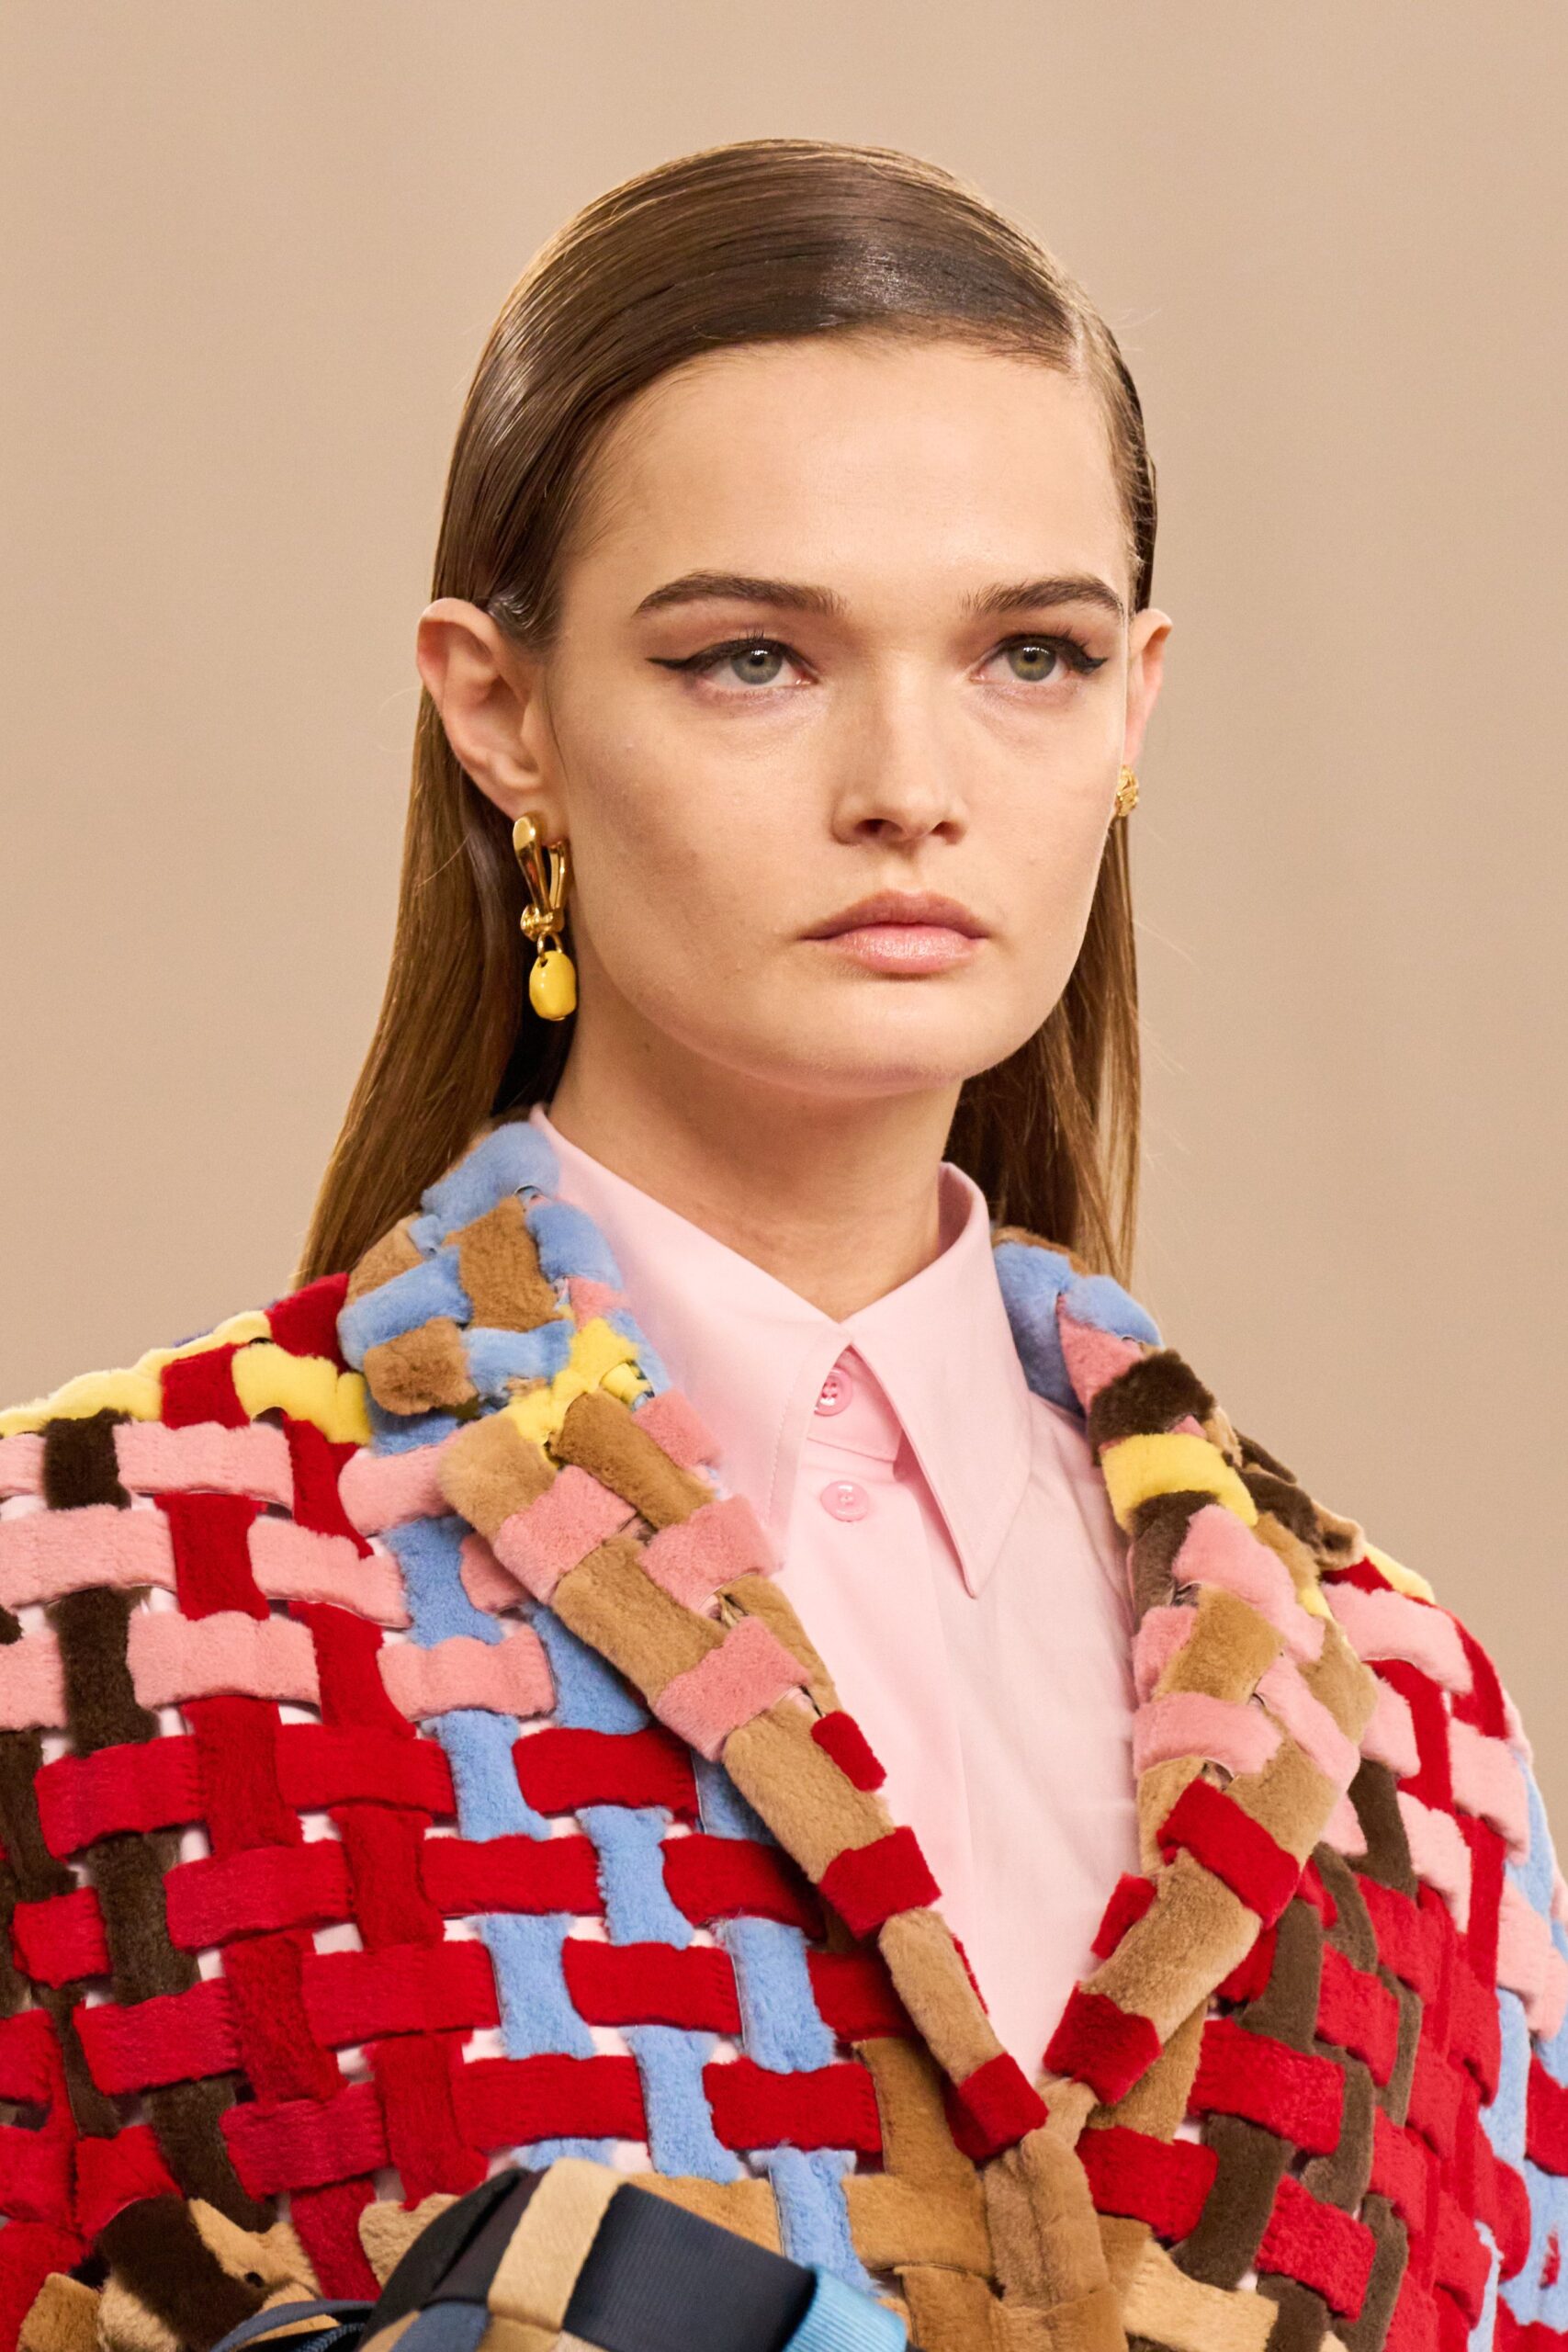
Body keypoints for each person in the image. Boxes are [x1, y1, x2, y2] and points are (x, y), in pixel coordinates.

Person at [1, 138, 1561, 2352]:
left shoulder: (1402, 1728)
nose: (907, 780)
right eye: (751, 656)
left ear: (1133, 705)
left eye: (1028, 653)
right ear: (500, 708)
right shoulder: (96, 1604)